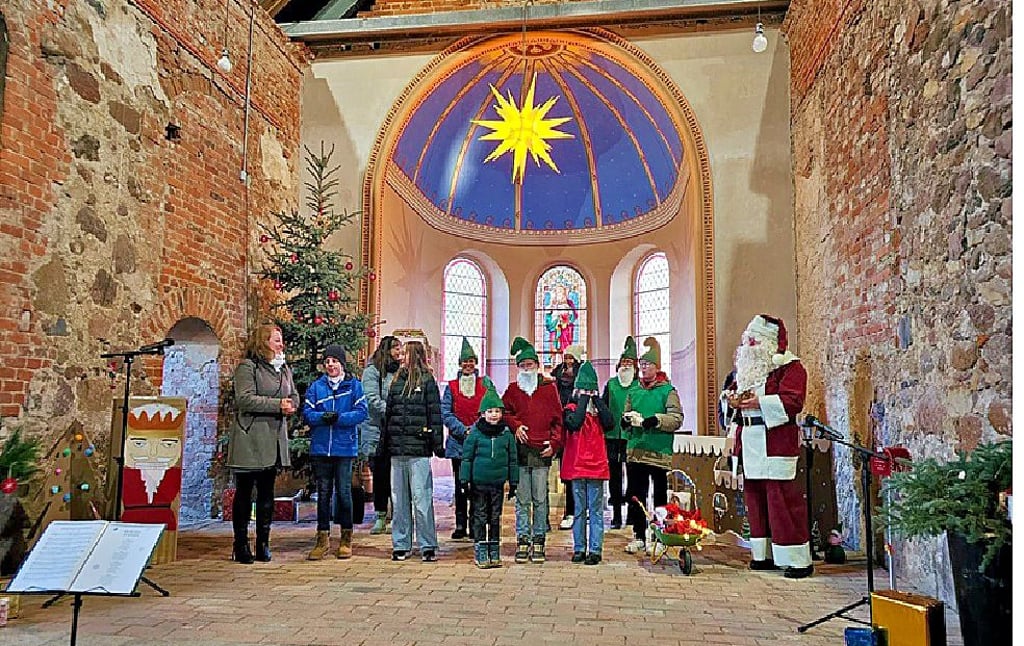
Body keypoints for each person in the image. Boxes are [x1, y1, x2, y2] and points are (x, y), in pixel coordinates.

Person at [722, 314, 812, 578]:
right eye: (748, 340)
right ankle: (763, 555)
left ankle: (797, 560)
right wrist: (730, 400)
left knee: (781, 501)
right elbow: (732, 398)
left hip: (774, 442)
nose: (750, 345)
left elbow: (793, 401)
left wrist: (759, 402)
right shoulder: (747, 371)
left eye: (755, 340)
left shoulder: (791, 367)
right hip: (749, 442)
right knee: (756, 501)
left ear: (770, 342)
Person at [226, 323, 298, 564]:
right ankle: (241, 543)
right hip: (251, 438)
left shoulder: (283, 368)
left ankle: (263, 543)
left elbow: (293, 394)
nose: (281, 344)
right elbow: (244, 399)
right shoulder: (248, 367)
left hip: (274, 437)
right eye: (276, 340)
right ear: (263, 342)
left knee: (267, 492)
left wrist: (292, 404)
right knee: (245, 492)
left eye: (281, 340)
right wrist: (277, 405)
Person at [303, 344, 368, 560]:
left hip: (344, 447)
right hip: (321, 448)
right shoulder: (317, 387)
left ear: (342, 364)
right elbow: (308, 412)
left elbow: (361, 412)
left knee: (344, 492)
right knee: (323, 494)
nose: (330, 365)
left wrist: (339, 418)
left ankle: (346, 539)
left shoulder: (354, 386)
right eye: (327, 362)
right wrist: (322, 417)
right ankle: (322, 539)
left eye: (334, 361)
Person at [502, 336, 563, 563]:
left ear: (537, 366)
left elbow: (559, 421)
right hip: (520, 451)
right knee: (522, 499)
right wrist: (515, 426)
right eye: (522, 366)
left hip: (541, 451)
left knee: (539, 498)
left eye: (530, 365)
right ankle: (522, 539)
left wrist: (554, 444)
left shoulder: (549, 390)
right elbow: (503, 412)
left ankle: (539, 540)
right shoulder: (512, 390)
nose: (526, 369)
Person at [385, 340, 445, 562]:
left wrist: (437, 444)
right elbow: (389, 416)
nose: (401, 356)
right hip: (397, 450)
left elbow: (435, 415)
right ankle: (401, 544)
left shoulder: (428, 381)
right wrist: (385, 445)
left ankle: (427, 544)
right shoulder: (396, 381)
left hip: (419, 449)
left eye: (405, 353)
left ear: (415, 355)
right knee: (399, 501)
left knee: (422, 499)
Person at [621, 337, 683, 554]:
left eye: (648, 364)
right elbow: (626, 414)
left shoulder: (668, 391)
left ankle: (659, 537)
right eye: (642, 364)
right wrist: (626, 421)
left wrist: (655, 420)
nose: (644, 368)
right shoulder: (634, 391)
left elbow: (676, 418)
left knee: (659, 496)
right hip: (636, 451)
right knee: (636, 495)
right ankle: (639, 535)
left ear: (657, 367)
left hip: (658, 452)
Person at [460, 381, 518, 568]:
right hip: (479, 483)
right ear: (483, 413)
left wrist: (514, 481)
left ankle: (494, 550)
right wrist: (464, 480)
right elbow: (467, 458)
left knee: (495, 517)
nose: (494, 415)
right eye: (490, 411)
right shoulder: (475, 434)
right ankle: (481, 550)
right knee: (480, 516)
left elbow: (513, 459)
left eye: (497, 411)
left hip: (497, 483)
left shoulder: (506, 434)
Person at [562, 361, 612, 565]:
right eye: (584, 390)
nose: (587, 394)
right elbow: (575, 423)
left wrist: (597, 400)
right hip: (577, 465)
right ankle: (579, 548)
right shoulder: (571, 407)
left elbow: (610, 423)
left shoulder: (599, 411)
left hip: (596, 466)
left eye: (590, 390)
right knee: (579, 510)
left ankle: (595, 549)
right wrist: (583, 398)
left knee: (596, 510)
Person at [441, 337, 487, 541]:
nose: (468, 365)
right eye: (465, 361)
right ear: (459, 364)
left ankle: (476, 524)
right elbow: (445, 413)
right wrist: (462, 430)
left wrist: (474, 431)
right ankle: (460, 524)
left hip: (479, 444)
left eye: (471, 361)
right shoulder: (451, 387)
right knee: (460, 485)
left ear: (475, 363)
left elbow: (490, 408)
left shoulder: (485, 384)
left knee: (477, 486)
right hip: (457, 444)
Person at [362, 335, 402, 535]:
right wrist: (394, 411)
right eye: (395, 348)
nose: (399, 352)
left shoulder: (400, 371)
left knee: (396, 475)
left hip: (395, 430)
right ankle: (380, 514)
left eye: (400, 348)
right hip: (376, 430)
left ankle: (396, 514)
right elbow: (371, 399)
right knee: (380, 474)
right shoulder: (373, 371)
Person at [601, 336, 641, 529]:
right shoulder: (611, 384)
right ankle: (616, 515)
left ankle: (632, 514)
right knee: (614, 478)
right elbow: (603, 407)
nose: (625, 365)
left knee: (633, 477)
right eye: (623, 362)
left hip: (633, 437)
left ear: (635, 366)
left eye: (629, 362)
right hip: (612, 437)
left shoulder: (639, 385)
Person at [550, 345, 581, 530]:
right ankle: (569, 511)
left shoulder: (582, 379)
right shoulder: (557, 377)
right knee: (566, 471)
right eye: (566, 358)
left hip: (577, 429)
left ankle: (578, 510)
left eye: (571, 358)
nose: (568, 362)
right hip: (560, 427)